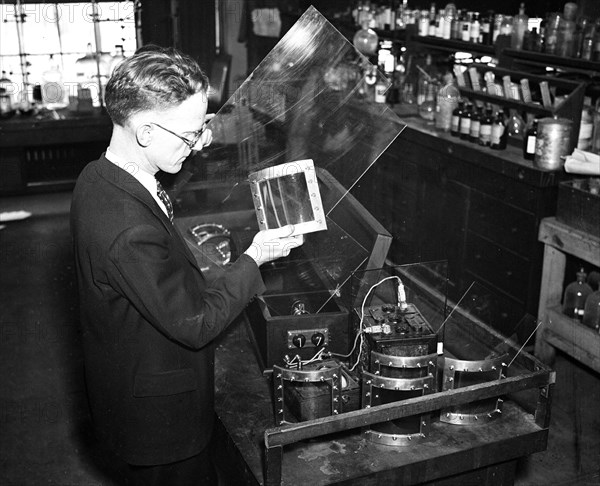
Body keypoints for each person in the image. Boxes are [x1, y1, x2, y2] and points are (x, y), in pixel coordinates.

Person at [70, 46, 302, 485]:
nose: (197, 146)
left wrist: (192, 131)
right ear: (144, 131)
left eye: (201, 130)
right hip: (159, 423)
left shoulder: (99, 176)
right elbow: (195, 324)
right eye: (189, 135)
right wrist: (254, 258)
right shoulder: (127, 230)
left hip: (127, 386)